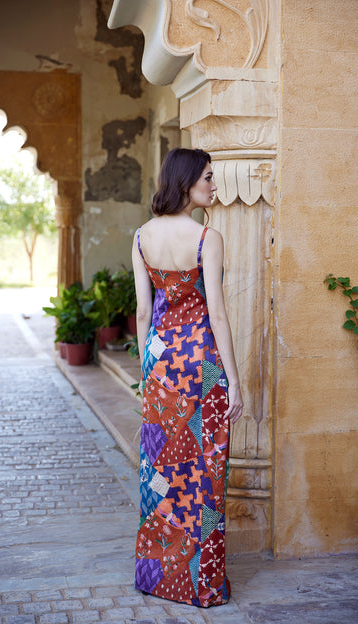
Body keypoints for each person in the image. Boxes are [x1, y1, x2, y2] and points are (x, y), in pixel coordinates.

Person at [132, 147, 243, 607]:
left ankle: (157, 578)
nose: (214, 186)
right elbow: (216, 313)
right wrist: (234, 380)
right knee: (205, 472)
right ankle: (202, 585)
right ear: (186, 183)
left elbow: (142, 312)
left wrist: (147, 374)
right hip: (202, 369)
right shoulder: (206, 237)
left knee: (160, 470)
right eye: (209, 178)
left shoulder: (141, 235)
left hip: (160, 366)